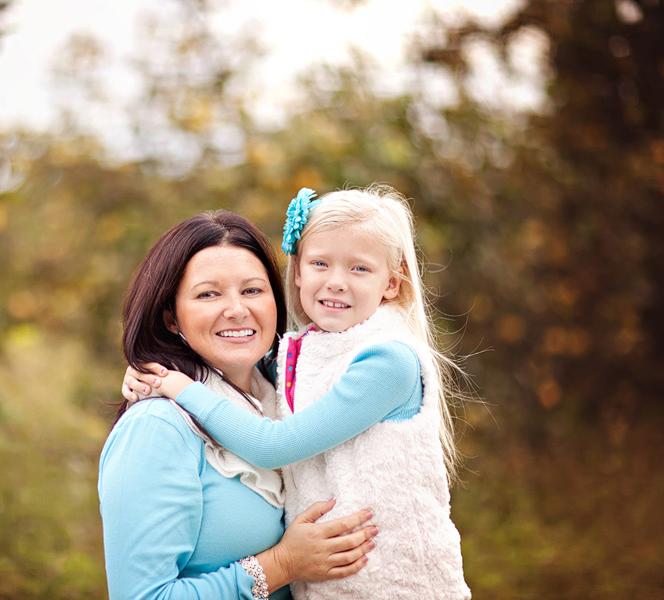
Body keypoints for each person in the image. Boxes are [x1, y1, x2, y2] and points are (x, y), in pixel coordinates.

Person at [131, 187, 471, 599]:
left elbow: (273, 445)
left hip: (393, 581)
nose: (336, 282)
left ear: (392, 285)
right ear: (297, 272)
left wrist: (177, 386)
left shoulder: (389, 361)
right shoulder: (303, 351)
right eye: (320, 264)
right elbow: (233, 367)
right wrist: (148, 371)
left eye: (360, 269)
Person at [99, 210, 379, 600]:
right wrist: (282, 565)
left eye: (252, 290)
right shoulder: (158, 427)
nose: (236, 309)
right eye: (208, 294)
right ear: (171, 318)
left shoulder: (292, 399)